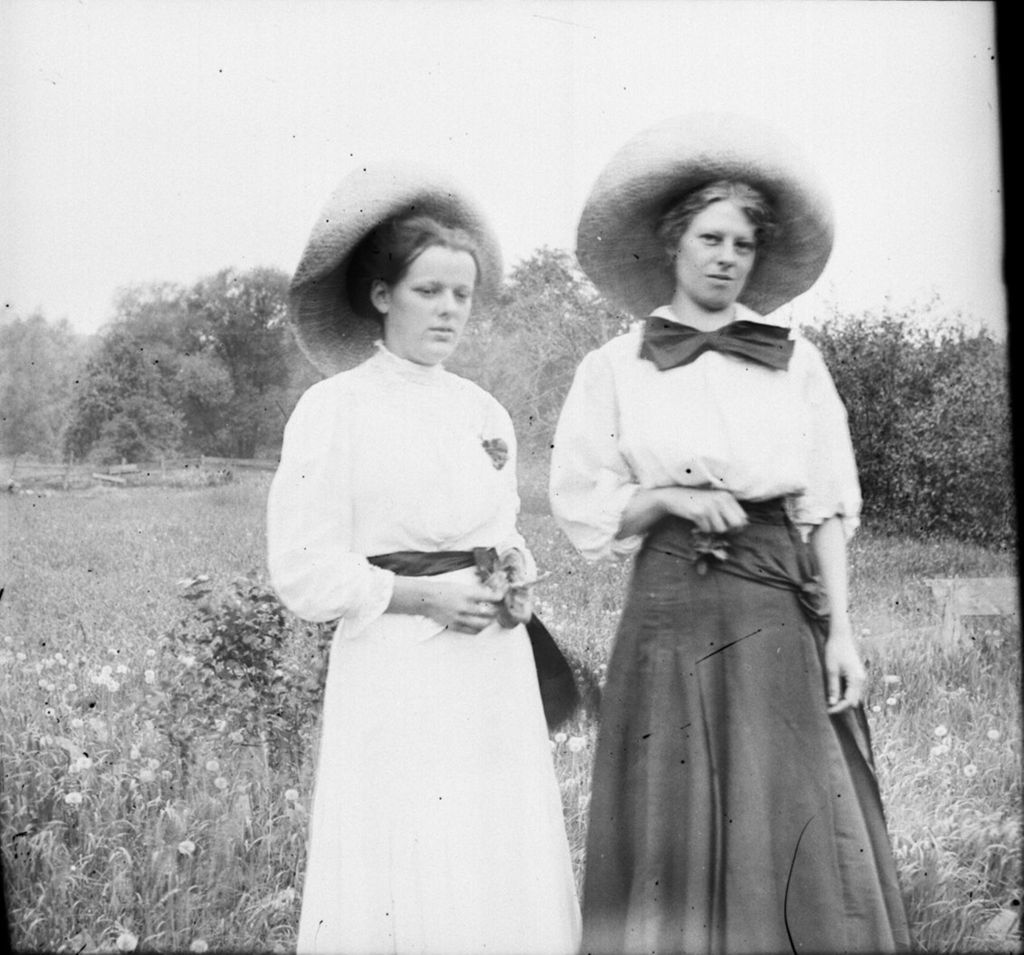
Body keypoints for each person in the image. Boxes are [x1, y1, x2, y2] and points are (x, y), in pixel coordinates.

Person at [549, 115, 911, 954]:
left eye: (742, 244)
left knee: (788, 801)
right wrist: (669, 498)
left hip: (773, 600)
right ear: (675, 242)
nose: (725, 256)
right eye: (710, 237)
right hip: (668, 606)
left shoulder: (797, 359)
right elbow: (583, 501)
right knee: (670, 803)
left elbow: (822, 505)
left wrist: (844, 631)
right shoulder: (614, 367)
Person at [268, 164, 581, 955]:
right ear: (381, 296)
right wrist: (420, 597)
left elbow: (502, 526)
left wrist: (512, 569)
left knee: (488, 850)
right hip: (396, 666)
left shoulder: (482, 411)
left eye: (462, 295)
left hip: (491, 670)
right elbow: (302, 565)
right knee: (406, 849)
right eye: (428, 290)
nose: (448, 310)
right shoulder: (334, 408)